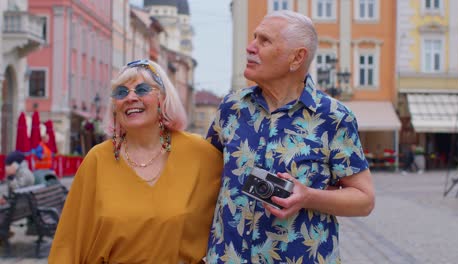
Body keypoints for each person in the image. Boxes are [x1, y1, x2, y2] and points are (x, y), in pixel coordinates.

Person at [205, 11, 375, 263]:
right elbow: (202, 170)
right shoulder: (232, 108)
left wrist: (308, 196)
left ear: (297, 57)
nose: (250, 48)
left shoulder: (333, 117)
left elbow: (364, 200)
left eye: (264, 41)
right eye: (254, 38)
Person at [48, 59, 223, 263]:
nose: (130, 97)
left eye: (142, 89)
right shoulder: (97, 160)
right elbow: (69, 241)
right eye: (121, 93)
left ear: (163, 98)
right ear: (115, 107)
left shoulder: (200, 154)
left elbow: (238, 206)